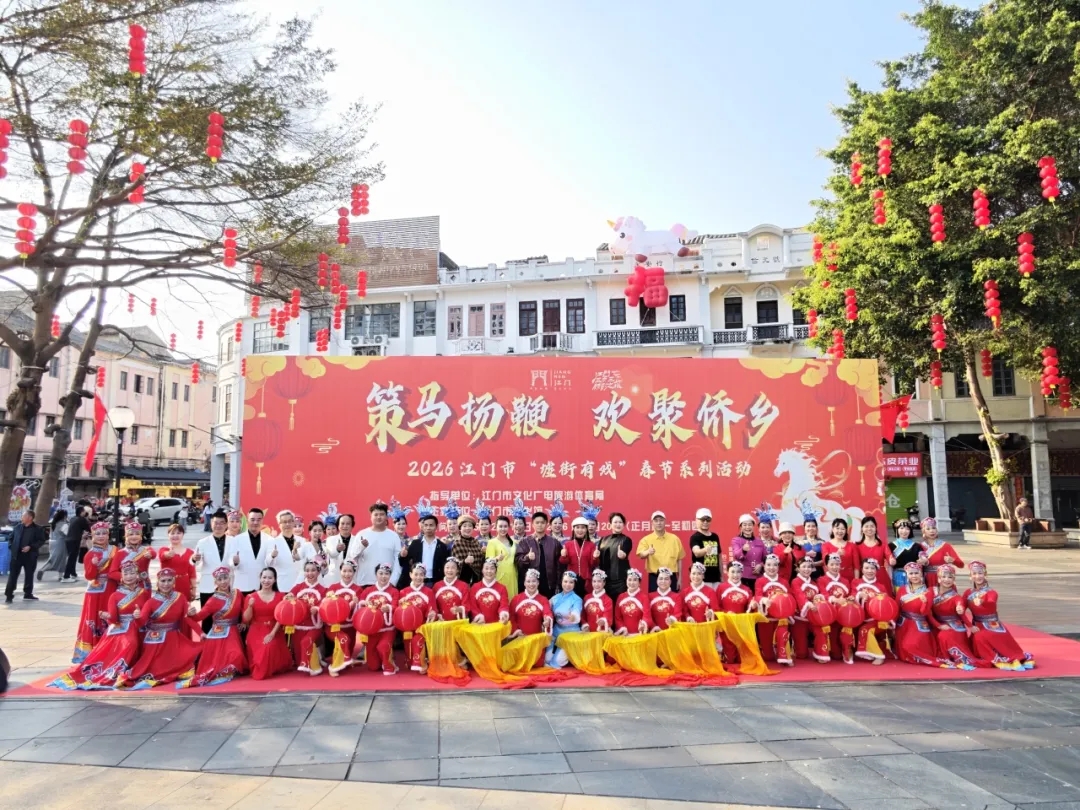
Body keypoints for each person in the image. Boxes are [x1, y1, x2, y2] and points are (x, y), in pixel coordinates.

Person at [49, 561, 148, 690]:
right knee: (130, 643)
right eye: (126, 574)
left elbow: (148, 614)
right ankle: (118, 672)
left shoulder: (143, 593)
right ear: (121, 576)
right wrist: (107, 616)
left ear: (138, 575)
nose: (129, 576)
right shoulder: (115, 595)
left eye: (132, 573)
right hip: (122, 627)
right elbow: (114, 619)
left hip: (140, 625)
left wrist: (139, 616)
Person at [124, 568, 201, 689]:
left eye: (169, 580)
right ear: (158, 583)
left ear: (174, 582)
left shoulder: (180, 597)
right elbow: (141, 624)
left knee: (198, 651)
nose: (166, 584)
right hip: (155, 642)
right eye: (163, 581)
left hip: (174, 639)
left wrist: (201, 633)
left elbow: (188, 618)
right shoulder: (150, 602)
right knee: (154, 670)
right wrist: (137, 617)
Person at [182, 567, 248, 687]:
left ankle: (230, 672)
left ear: (229, 578)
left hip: (233, 631)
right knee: (231, 656)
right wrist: (192, 614)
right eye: (219, 579)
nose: (223, 582)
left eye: (225, 578)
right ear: (215, 582)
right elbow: (199, 617)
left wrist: (244, 622)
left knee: (236, 655)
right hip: (219, 634)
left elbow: (244, 608)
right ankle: (224, 673)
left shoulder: (237, 593)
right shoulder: (213, 600)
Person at [964, 560, 1035, 670]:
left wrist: (983, 602)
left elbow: (991, 602)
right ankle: (995, 658)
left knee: (982, 638)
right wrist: (969, 625)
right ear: (970, 576)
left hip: (993, 625)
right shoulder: (968, 593)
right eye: (974, 574)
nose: (978, 576)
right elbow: (961, 610)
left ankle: (1005, 659)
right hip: (977, 626)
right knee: (978, 638)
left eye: (980, 573)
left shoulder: (991, 592)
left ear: (985, 575)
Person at [71, 520, 117, 663]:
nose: (101, 536)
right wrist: (94, 565)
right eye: (98, 534)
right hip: (96, 592)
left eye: (104, 533)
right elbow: (89, 576)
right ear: (93, 536)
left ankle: (111, 648)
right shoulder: (90, 554)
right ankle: (94, 650)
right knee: (95, 619)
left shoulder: (115, 550)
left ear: (108, 535)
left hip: (112, 588)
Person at [892, 562, 951, 668]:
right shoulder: (902, 589)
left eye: (916, 573)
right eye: (911, 573)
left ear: (921, 574)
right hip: (903, 625)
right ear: (907, 575)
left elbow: (925, 613)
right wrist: (892, 623)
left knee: (909, 646)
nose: (914, 576)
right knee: (903, 652)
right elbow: (897, 608)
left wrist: (925, 603)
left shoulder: (928, 591)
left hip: (918, 624)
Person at [929, 564, 987, 669]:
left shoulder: (956, 597)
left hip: (954, 626)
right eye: (944, 576)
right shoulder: (930, 592)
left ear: (953, 580)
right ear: (938, 579)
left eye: (950, 577)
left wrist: (969, 625)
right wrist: (938, 625)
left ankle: (954, 658)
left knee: (944, 636)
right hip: (936, 624)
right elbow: (926, 612)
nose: (947, 579)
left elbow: (960, 609)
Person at [242, 568, 293, 680]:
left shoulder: (281, 596)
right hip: (256, 630)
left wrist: (272, 634)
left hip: (274, 629)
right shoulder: (251, 597)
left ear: (275, 580)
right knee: (263, 650)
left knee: (269, 646)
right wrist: (250, 606)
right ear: (260, 578)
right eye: (264, 577)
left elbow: (281, 618)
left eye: (270, 578)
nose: (266, 580)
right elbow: (246, 619)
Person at [192, 511, 238, 631]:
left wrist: (235, 562)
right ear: (211, 524)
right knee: (207, 618)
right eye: (216, 523)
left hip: (227, 585)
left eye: (222, 523)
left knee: (227, 616)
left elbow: (233, 562)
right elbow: (196, 563)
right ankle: (206, 641)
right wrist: (195, 559)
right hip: (208, 585)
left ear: (226, 525)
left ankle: (226, 640)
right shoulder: (202, 542)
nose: (218, 526)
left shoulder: (234, 541)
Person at [507, 568, 554, 668]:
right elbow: (511, 617)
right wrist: (516, 631)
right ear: (524, 583)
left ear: (538, 583)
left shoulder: (543, 599)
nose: (531, 584)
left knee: (536, 664)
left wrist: (547, 620)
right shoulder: (516, 599)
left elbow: (547, 612)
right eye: (528, 581)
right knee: (518, 664)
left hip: (535, 640)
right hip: (520, 638)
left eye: (534, 581)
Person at [347, 502, 402, 588]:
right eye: (376, 515)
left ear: (386, 517)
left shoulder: (394, 536)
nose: (379, 517)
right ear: (371, 517)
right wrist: (361, 546)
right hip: (365, 582)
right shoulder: (362, 534)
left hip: (386, 583)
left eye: (382, 514)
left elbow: (398, 560)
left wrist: (393, 581)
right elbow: (352, 556)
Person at [753, 554, 794, 665]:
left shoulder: (784, 582)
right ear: (764, 566)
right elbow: (757, 596)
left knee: (783, 636)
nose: (772, 568)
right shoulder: (760, 581)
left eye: (775, 565)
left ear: (778, 567)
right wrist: (763, 599)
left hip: (781, 618)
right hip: (766, 618)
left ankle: (784, 655)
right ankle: (768, 652)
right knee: (768, 656)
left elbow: (790, 597)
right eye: (769, 565)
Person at [359, 562, 399, 675]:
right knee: (373, 666)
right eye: (380, 573)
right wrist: (363, 604)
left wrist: (389, 608)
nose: (383, 576)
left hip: (387, 629)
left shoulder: (394, 591)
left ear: (390, 575)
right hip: (372, 631)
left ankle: (389, 664)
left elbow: (396, 606)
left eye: (386, 574)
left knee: (383, 647)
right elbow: (360, 605)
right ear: (376, 574)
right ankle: (382, 658)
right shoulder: (368, 590)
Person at [325, 559, 363, 676]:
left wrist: (357, 604)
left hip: (350, 627)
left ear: (354, 572)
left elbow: (361, 611)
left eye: (350, 571)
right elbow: (327, 607)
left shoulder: (358, 589)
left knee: (347, 652)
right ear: (340, 571)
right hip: (335, 626)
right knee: (343, 640)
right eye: (344, 571)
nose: (347, 574)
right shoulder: (333, 588)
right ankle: (334, 667)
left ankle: (345, 660)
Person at [398, 503, 449, 588]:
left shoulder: (442, 546)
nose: (428, 528)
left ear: (436, 527)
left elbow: (445, 566)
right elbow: (404, 563)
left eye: (431, 525)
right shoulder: (415, 544)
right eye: (426, 525)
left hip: (436, 583)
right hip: (417, 582)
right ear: (422, 527)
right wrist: (402, 556)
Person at [289, 560, 326, 675]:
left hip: (314, 626)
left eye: (313, 570)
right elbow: (289, 598)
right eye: (307, 570)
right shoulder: (298, 587)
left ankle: (311, 664)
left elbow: (325, 606)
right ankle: (315, 660)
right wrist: (288, 598)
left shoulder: (323, 590)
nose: (310, 573)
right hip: (298, 625)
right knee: (299, 657)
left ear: (318, 572)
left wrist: (317, 608)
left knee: (306, 642)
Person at [791, 557, 830, 663]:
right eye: (803, 566)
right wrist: (808, 604)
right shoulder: (795, 582)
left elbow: (823, 594)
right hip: (800, 617)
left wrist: (820, 597)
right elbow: (799, 595)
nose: (806, 569)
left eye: (809, 567)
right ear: (798, 568)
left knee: (821, 631)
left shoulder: (814, 583)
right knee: (801, 654)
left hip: (814, 615)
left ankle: (821, 654)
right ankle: (797, 648)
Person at [398, 563, 436, 673]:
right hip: (408, 627)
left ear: (424, 576)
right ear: (410, 574)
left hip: (422, 626)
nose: (418, 577)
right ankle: (413, 660)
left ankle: (421, 662)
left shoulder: (429, 591)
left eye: (421, 575)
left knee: (417, 640)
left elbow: (432, 608)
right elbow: (399, 612)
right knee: (409, 654)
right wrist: (400, 605)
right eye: (416, 574)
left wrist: (431, 613)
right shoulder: (404, 592)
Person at [514, 511, 561, 598]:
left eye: (542, 522)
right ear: (532, 524)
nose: (540, 525)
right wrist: (527, 557)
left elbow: (559, 566)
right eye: (537, 522)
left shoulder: (554, 542)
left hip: (549, 584)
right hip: (530, 584)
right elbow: (517, 561)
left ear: (546, 524)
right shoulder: (524, 542)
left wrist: (558, 584)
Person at [853, 559, 891, 665]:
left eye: (872, 568)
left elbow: (887, 605)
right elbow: (851, 595)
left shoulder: (881, 587)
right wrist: (859, 595)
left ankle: (878, 654)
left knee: (865, 630)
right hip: (859, 618)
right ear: (862, 569)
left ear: (876, 570)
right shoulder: (856, 582)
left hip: (876, 619)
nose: (869, 571)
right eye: (866, 568)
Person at [637, 511, 685, 592]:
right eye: (656, 521)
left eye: (661, 520)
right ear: (652, 523)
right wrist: (648, 552)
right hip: (655, 577)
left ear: (665, 521)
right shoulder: (646, 539)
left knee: (672, 599)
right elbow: (641, 554)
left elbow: (679, 559)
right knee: (655, 599)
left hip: (671, 576)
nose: (659, 523)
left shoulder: (674, 539)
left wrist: (679, 578)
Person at [821, 553, 855, 664]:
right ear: (826, 566)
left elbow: (850, 593)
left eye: (837, 564)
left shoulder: (845, 581)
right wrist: (835, 600)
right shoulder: (822, 580)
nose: (835, 567)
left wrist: (850, 598)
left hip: (844, 613)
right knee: (836, 654)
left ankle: (847, 650)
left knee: (847, 630)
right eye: (832, 564)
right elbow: (823, 594)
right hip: (829, 613)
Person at [6, 509, 45, 603]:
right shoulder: (17, 527)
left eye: (23, 516)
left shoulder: (38, 529)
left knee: (29, 575)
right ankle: (9, 595)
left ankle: (28, 594)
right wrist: (12, 547)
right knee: (13, 576)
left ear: (30, 518)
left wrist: (30, 547)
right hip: (17, 556)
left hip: (30, 556)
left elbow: (41, 541)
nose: (21, 518)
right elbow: (11, 538)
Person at [107, 520, 154, 593]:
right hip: (126, 588)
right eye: (131, 534)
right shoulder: (120, 553)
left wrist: (151, 554)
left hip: (143, 586)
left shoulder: (146, 550)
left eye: (137, 534)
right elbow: (112, 573)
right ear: (126, 536)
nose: (134, 536)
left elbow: (153, 553)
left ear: (141, 536)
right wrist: (127, 577)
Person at [547, 571, 582, 668]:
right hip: (557, 630)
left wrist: (573, 617)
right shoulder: (555, 598)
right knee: (547, 659)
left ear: (574, 584)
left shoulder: (577, 599)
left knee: (557, 662)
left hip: (571, 631)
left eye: (571, 582)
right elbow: (545, 608)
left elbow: (576, 612)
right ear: (561, 582)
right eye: (565, 581)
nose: (567, 585)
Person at [158, 523, 197, 604]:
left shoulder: (190, 552)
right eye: (172, 533)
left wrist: (194, 588)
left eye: (178, 533)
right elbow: (163, 555)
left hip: (185, 586)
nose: (175, 535)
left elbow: (192, 572)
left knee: (185, 609)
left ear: (183, 535)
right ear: (168, 535)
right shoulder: (163, 549)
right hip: (168, 586)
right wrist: (169, 554)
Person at [230, 509, 267, 596]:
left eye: (258, 520)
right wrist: (235, 562)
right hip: (242, 585)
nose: (255, 522)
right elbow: (230, 562)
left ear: (262, 520)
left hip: (263, 586)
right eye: (252, 519)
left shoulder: (269, 539)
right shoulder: (236, 540)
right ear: (247, 520)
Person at [598, 512, 633, 600]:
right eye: (615, 522)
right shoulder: (603, 540)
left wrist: (622, 555)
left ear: (624, 525)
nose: (618, 524)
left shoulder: (626, 539)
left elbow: (625, 552)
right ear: (610, 525)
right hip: (604, 581)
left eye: (620, 522)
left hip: (620, 581)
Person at [263, 510, 301, 592]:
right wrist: (272, 556)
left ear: (293, 522)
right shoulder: (273, 542)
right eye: (284, 522)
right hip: (283, 585)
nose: (287, 524)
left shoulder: (302, 541)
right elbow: (267, 563)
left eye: (289, 521)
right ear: (279, 524)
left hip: (300, 584)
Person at [922, 517, 964, 589]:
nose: (931, 531)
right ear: (924, 532)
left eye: (933, 528)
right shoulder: (920, 546)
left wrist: (953, 560)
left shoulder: (945, 546)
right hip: (926, 580)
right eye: (928, 529)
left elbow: (961, 564)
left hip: (943, 579)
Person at [560, 517, 596, 597]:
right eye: (577, 527)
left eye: (583, 527)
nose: (580, 530)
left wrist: (595, 557)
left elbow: (593, 564)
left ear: (586, 529)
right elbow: (563, 562)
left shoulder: (591, 545)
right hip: (571, 580)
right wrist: (563, 556)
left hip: (586, 580)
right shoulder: (568, 544)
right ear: (573, 529)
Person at [856, 516, 893, 594]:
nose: (869, 528)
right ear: (862, 529)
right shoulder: (857, 546)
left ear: (876, 528)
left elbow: (890, 558)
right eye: (866, 526)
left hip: (881, 578)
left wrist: (892, 560)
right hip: (864, 578)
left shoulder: (883, 545)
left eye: (872, 526)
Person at [298, 519, 339, 587]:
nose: (317, 533)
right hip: (304, 582)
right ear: (310, 532)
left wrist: (324, 567)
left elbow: (324, 572)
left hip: (319, 583)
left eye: (320, 531)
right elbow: (298, 562)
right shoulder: (304, 546)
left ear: (323, 532)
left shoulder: (325, 549)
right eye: (315, 531)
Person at [485, 515, 518, 599]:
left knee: (512, 600)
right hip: (499, 576)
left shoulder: (513, 542)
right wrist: (496, 558)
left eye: (505, 526)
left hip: (512, 576)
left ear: (509, 527)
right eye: (500, 526)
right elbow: (488, 562)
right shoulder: (492, 542)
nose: (503, 529)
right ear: (496, 527)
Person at [689, 509, 722, 589]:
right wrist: (705, 549)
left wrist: (721, 576)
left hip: (716, 578)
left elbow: (719, 557)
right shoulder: (695, 537)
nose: (705, 522)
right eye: (702, 519)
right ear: (696, 520)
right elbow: (696, 553)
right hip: (701, 579)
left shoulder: (715, 536)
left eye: (708, 520)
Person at [732, 513, 766, 590]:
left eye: (750, 525)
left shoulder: (759, 541)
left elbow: (765, 558)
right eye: (744, 525)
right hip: (742, 577)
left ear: (753, 526)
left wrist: (761, 565)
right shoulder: (736, 540)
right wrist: (743, 550)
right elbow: (736, 555)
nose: (747, 527)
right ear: (740, 527)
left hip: (758, 577)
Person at [470, 559, 510, 625]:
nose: (489, 571)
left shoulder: (502, 588)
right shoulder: (475, 587)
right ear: (482, 570)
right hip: (479, 624)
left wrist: (503, 614)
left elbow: (504, 605)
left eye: (492, 568)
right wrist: (478, 616)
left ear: (496, 571)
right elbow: (472, 605)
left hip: (496, 625)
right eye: (486, 568)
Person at [889, 519, 927, 590]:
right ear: (897, 529)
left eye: (907, 529)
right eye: (901, 528)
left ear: (910, 531)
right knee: (899, 594)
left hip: (914, 576)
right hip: (898, 576)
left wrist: (923, 559)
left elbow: (922, 556)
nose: (904, 531)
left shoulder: (916, 546)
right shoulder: (891, 546)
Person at [614, 569, 651, 635]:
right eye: (629, 580)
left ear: (639, 583)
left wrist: (643, 624)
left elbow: (647, 616)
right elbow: (617, 617)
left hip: (639, 635)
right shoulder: (621, 597)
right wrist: (622, 628)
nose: (632, 583)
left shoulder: (644, 597)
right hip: (624, 635)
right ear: (626, 581)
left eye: (635, 580)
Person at [822, 517, 858, 584]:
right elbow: (825, 562)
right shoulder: (826, 545)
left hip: (849, 579)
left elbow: (856, 567)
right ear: (833, 529)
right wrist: (836, 554)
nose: (840, 531)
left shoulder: (852, 546)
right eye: (837, 528)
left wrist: (856, 582)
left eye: (842, 529)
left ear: (846, 531)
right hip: (832, 580)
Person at [451, 514, 484, 585]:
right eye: (464, 526)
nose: (467, 528)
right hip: (462, 580)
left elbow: (480, 561)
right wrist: (464, 561)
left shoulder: (476, 542)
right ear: (460, 528)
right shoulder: (457, 543)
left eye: (470, 526)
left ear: (473, 528)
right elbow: (453, 564)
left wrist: (484, 553)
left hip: (476, 580)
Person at [63, 505, 93, 582]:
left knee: (73, 558)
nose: (85, 513)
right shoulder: (82, 519)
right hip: (74, 540)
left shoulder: (73, 518)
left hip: (69, 540)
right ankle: (66, 576)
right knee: (71, 558)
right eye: (84, 511)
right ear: (81, 512)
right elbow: (89, 529)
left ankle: (73, 574)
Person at [38, 509, 68, 583]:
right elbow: (67, 534)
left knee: (52, 559)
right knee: (61, 559)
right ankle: (60, 576)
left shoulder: (53, 523)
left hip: (52, 543)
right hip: (60, 543)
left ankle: (43, 569)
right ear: (64, 516)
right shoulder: (64, 525)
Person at [799, 502, 825, 579]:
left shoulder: (822, 542)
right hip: (803, 574)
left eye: (813, 526)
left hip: (819, 574)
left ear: (816, 528)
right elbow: (796, 560)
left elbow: (825, 559)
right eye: (808, 526)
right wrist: (806, 554)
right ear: (804, 528)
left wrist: (814, 564)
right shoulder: (799, 543)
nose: (811, 528)